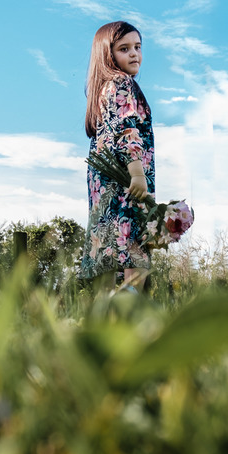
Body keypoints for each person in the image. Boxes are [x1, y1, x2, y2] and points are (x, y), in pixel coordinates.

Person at [80, 21, 155, 291]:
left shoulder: (102, 89)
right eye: (124, 48)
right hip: (125, 177)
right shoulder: (121, 83)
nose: (134, 54)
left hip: (103, 182)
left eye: (137, 47)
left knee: (106, 248)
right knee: (133, 244)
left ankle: (102, 314)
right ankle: (129, 314)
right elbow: (126, 130)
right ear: (107, 54)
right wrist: (137, 172)